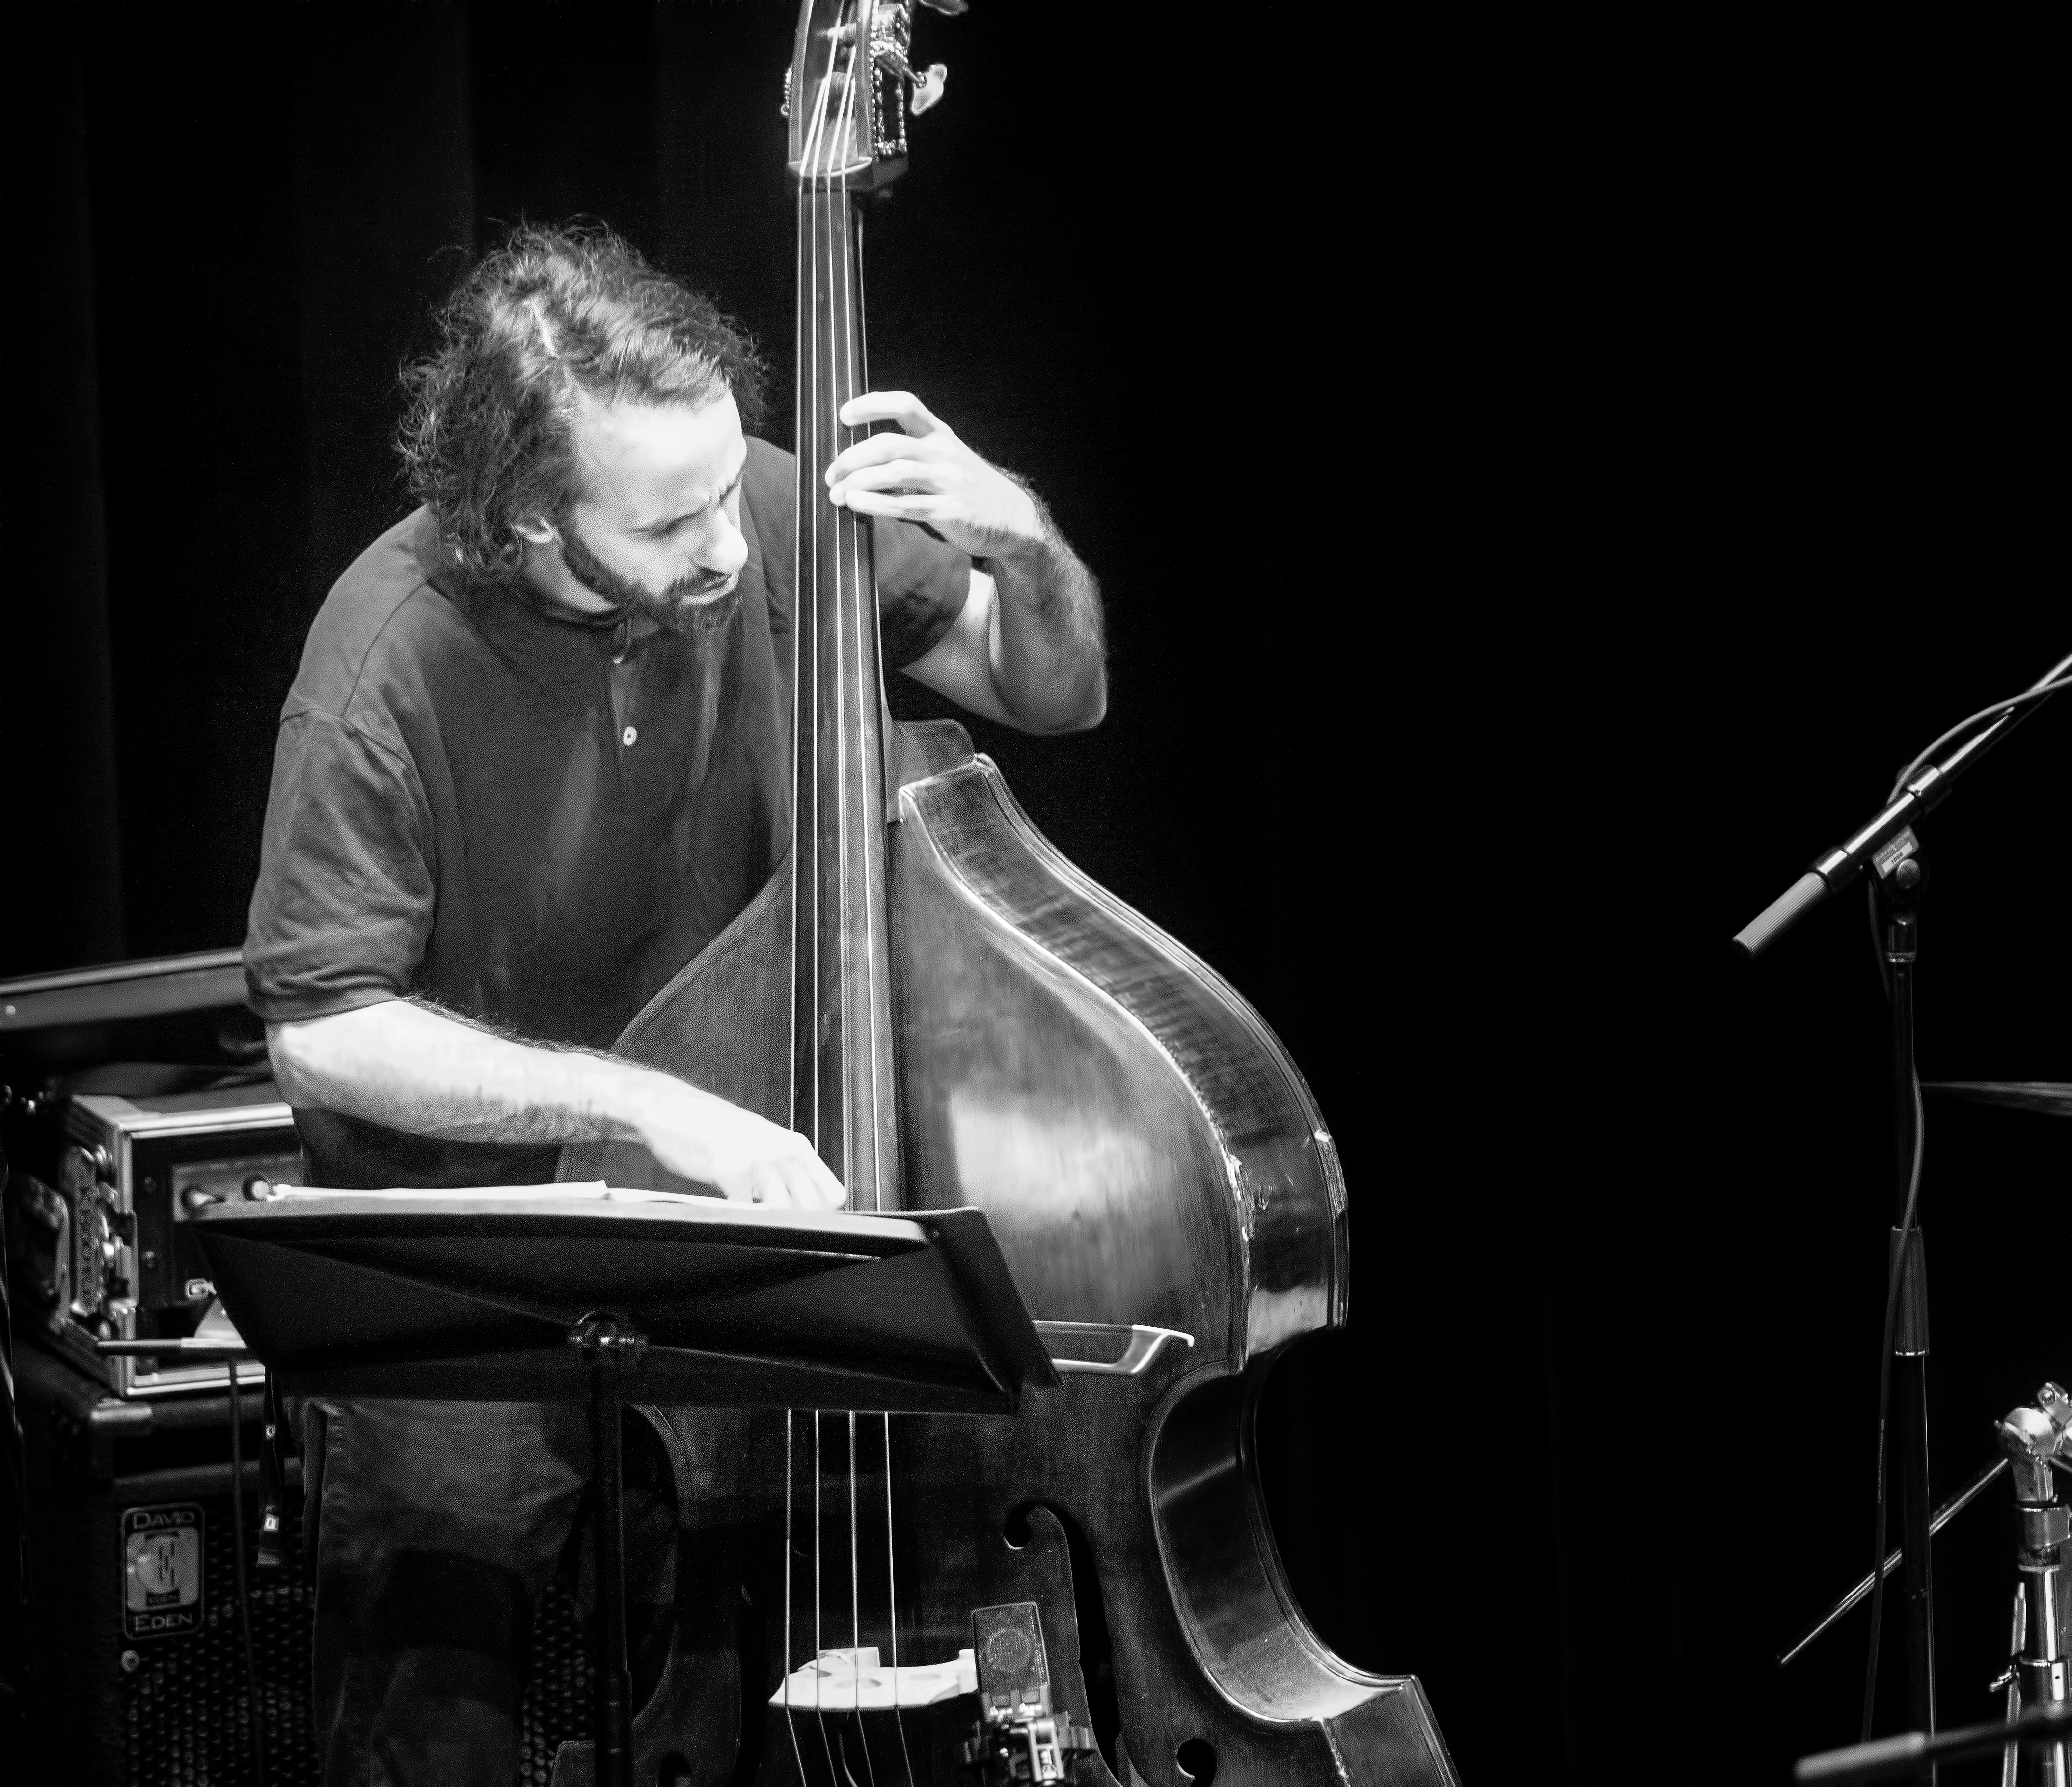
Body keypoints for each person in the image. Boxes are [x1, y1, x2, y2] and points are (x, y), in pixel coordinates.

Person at [242, 222, 1105, 1784]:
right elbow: (321, 1019)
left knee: (731, 1717)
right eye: (669, 518)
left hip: (734, 1255)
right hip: (475, 1276)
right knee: (431, 1741)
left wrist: (1022, 541)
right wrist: (633, 1099)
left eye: (727, 485)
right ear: (528, 522)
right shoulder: (384, 659)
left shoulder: (756, 510)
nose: (729, 540)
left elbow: (1055, 690)